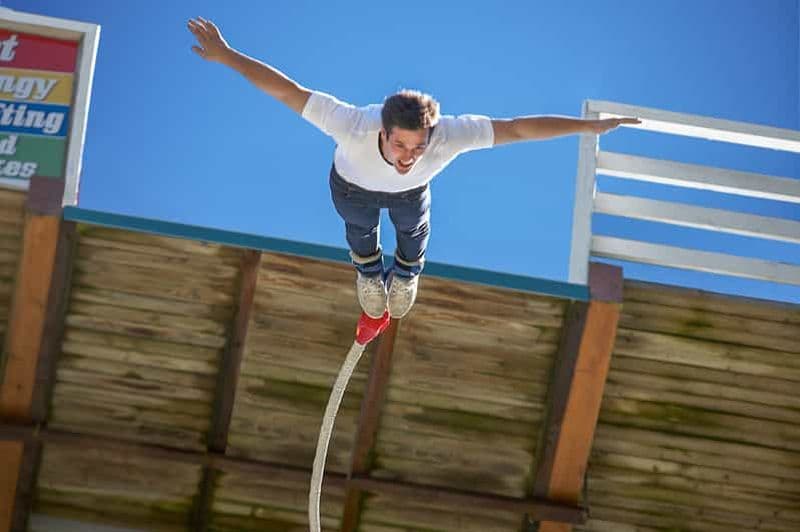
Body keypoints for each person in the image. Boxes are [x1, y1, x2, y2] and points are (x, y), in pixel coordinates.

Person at [187, 17, 639, 319]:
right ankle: (368, 272)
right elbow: (287, 91)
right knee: (360, 230)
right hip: (352, 188)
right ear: (383, 131)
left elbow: (518, 129)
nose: (407, 156)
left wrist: (589, 127)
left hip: (408, 197)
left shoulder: (449, 135)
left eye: (417, 147)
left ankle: (404, 275)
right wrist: (227, 55)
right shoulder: (353, 123)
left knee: (413, 227)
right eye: (400, 144)